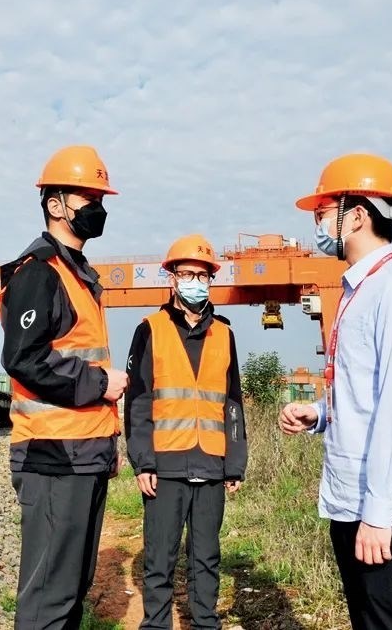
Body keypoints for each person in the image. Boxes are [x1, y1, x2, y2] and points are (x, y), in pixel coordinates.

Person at [278, 153, 392, 630]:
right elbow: (362, 394)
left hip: (386, 511)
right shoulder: (361, 289)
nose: (317, 224)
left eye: (323, 212)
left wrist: (378, 514)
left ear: (356, 216)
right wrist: (319, 413)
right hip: (356, 502)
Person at [0, 145, 128, 630]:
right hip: (54, 457)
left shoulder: (77, 276)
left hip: (83, 456)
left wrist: (108, 445)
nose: (98, 208)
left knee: (72, 590)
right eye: (88, 198)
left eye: (101, 199)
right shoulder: (40, 274)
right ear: (55, 205)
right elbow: (23, 359)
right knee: (49, 597)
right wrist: (102, 382)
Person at [124, 233, 247, 630]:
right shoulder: (150, 329)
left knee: (206, 557)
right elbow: (138, 401)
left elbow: (232, 404)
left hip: (211, 464)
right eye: (187, 274)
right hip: (165, 465)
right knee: (159, 558)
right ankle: (156, 625)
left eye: (203, 275)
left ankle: (206, 624)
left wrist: (235, 463)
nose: (196, 282)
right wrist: (143, 462)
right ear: (172, 278)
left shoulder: (224, 334)